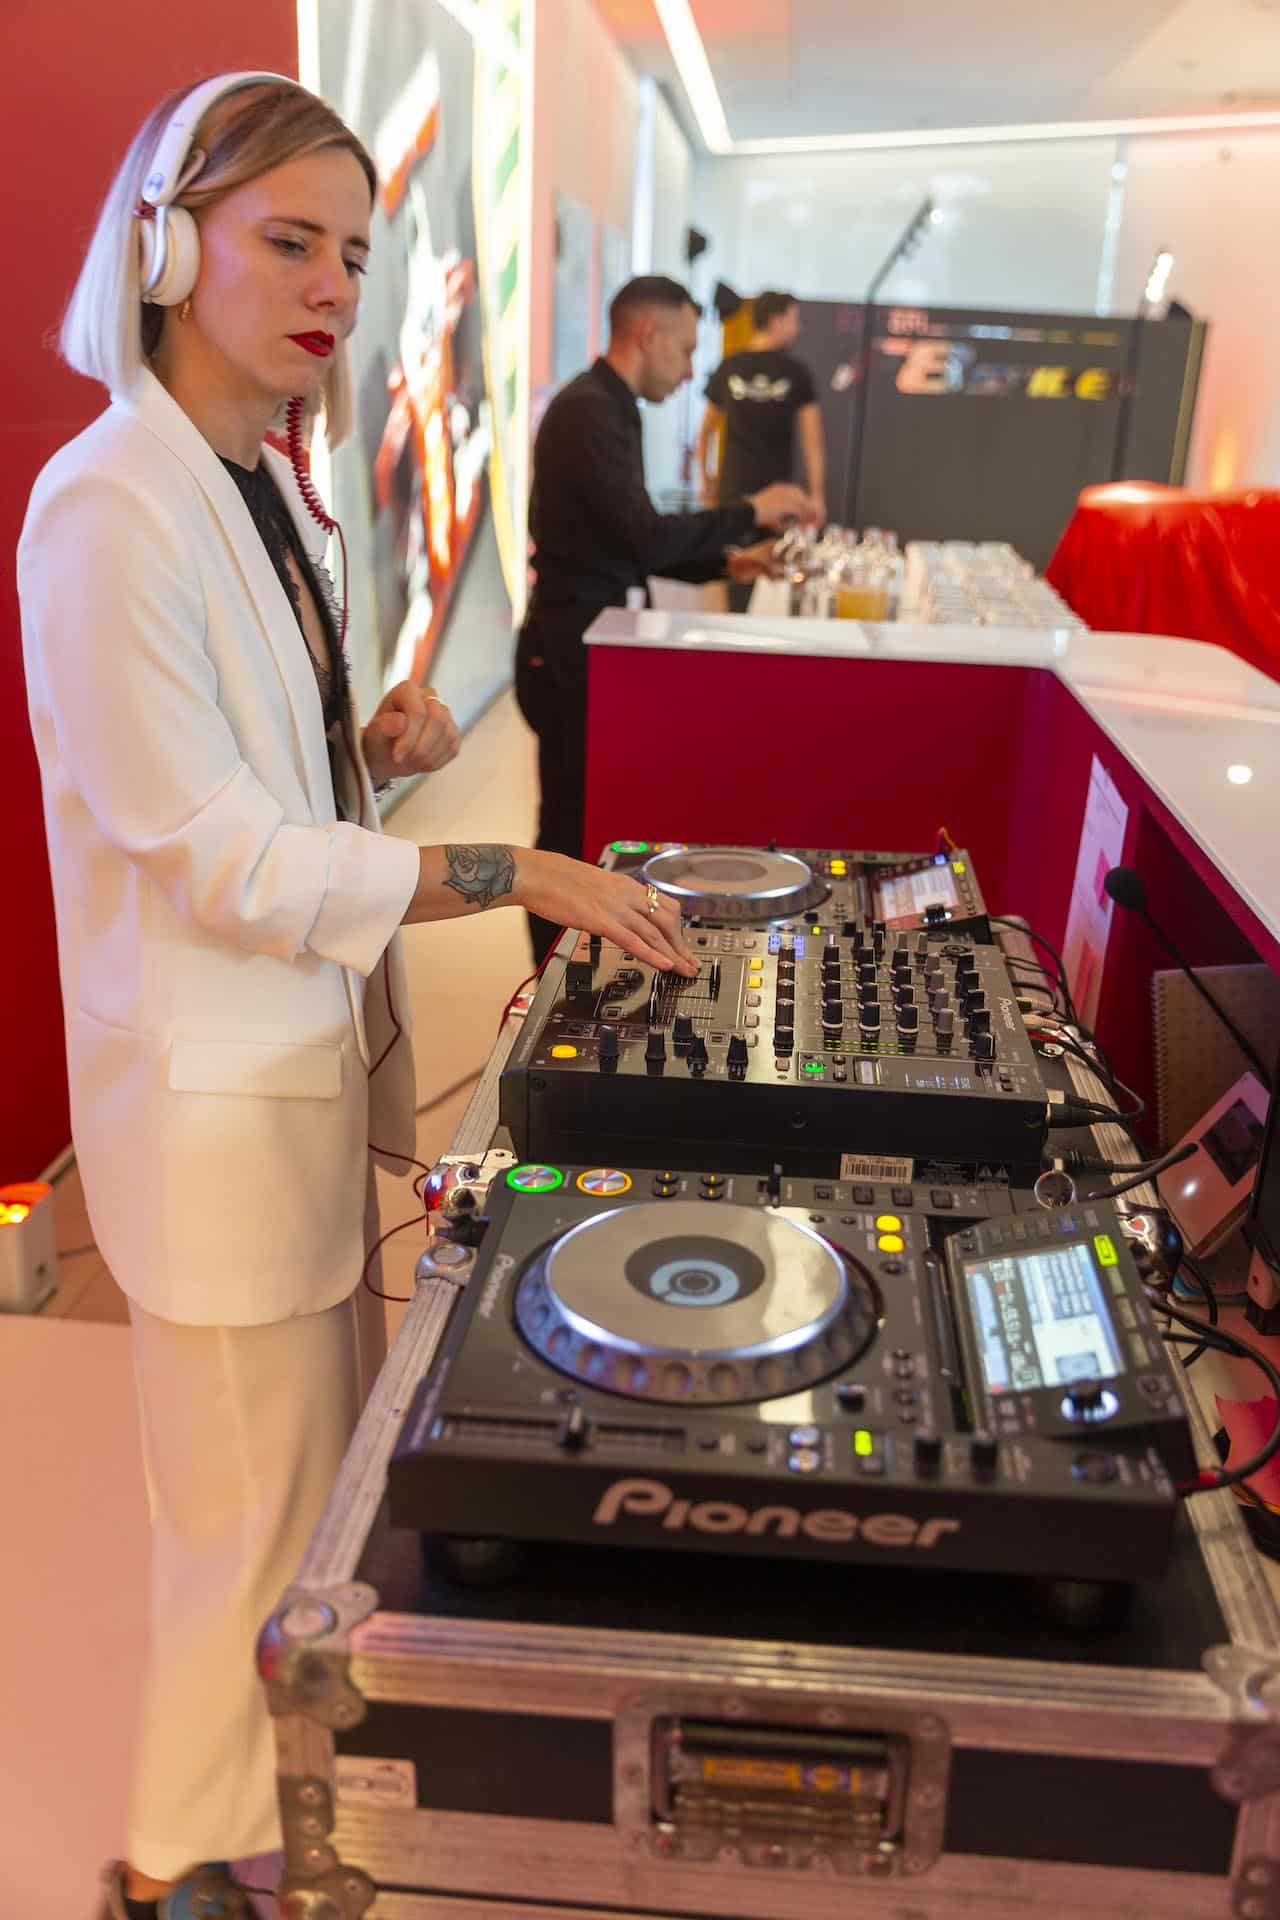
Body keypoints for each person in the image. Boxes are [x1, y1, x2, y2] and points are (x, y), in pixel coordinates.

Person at [18, 73, 695, 1920]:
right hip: (216, 1125)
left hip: (299, 1089)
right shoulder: (107, 508)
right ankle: (174, 1866)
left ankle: (273, 1819)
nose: (333, 286)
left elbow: (265, 797)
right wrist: (509, 870)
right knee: (238, 1524)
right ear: (168, 251)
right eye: (289, 241)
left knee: (304, 1503)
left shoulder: (260, 487)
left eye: (355, 253)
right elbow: (216, 856)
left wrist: (365, 756)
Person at [516, 274, 813, 962]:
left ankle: (571, 965)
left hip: (584, 645)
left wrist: (730, 562)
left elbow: (624, 542)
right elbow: (643, 537)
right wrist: (749, 512)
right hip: (564, 653)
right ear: (647, 335)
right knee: (565, 831)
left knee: (581, 821)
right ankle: (547, 981)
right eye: (684, 351)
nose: (687, 373)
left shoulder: (608, 408)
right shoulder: (590, 412)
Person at [697, 290, 826, 610]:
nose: (798, 328)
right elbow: (813, 442)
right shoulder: (792, 372)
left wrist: (706, 477)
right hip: (764, 496)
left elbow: (704, 434)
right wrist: (817, 495)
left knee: (753, 576)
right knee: (748, 574)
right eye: (794, 319)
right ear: (775, 320)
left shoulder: (733, 366)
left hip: (751, 494)